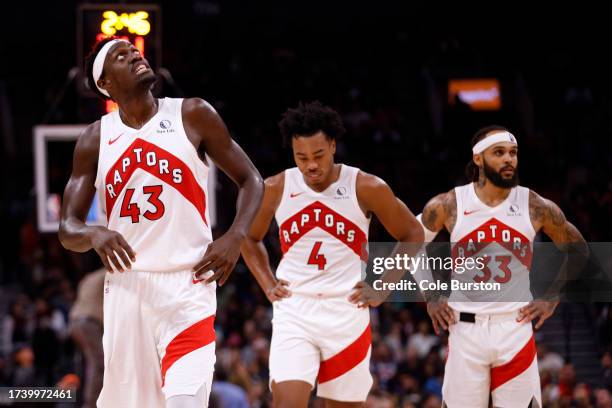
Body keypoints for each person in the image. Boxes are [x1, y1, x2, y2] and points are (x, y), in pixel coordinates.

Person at [58, 38, 263, 408]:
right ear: (106, 83)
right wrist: (94, 233)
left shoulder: (192, 114)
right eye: (121, 56)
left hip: (189, 283)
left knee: (186, 399)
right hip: (127, 289)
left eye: (133, 51)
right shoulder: (95, 138)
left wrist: (236, 235)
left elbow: (251, 180)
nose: (135, 54)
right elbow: (67, 228)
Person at [241, 101, 423, 407]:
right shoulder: (277, 187)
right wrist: (267, 282)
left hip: (346, 311)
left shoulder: (365, 186)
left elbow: (412, 234)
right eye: (301, 157)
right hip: (295, 310)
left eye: (318, 155)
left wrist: (383, 287)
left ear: (333, 146)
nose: (311, 165)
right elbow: (248, 237)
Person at [417, 125, 587, 407]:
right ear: (479, 159)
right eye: (499, 153)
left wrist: (552, 298)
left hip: (515, 328)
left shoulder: (534, 205)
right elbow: (410, 242)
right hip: (465, 329)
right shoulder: (450, 203)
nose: (509, 159)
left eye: (513, 153)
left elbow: (579, 249)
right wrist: (431, 295)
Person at [69, 268, 105, 408]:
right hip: (89, 322)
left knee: (86, 362)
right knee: (98, 363)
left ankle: (80, 399)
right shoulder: (109, 273)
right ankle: (90, 403)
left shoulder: (88, 276)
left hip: (74, 321)